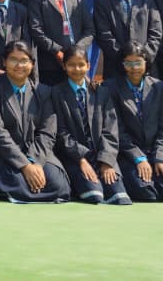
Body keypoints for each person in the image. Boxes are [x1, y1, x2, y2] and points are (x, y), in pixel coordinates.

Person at [0, 41, 70, 203]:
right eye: (13, 60)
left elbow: (47, 132)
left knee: (59, 185)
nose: (19, 65)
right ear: (4, 62)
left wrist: (35, 162)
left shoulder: (43, 91)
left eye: (24, 61)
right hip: (4, 154)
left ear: (32, 64)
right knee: (17, 184)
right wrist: (25, 166)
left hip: (36, 152)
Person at [102, 44, 163, 202]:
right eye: (128, 63)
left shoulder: (159, 87)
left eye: (138, 62)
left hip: (157, 150)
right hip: (129, 152)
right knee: (145, 191)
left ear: (146, 62)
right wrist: (138, 157)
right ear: (122, 64)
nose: (134, 68)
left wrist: (161, 157)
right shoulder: (111, 87)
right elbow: (116, 129)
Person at [49, 48, 131, 204]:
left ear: (88, 65)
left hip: (102, 155)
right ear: (64, 66)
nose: (77, 69)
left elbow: (111, 129)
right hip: (76, 157)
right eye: (71, 65)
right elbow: (61, 133)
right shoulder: (56, 93)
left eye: (81, 64)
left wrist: (106, 161)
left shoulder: (101, 92)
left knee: (119, 197)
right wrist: (81, 159)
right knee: (95, 195)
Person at [25, 0, 93, 87]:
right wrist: (57, 50)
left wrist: (76, 52)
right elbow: (36, 30)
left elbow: (89, 29)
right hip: (51, 62)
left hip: (77, 61)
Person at [93, 0, 162, 79]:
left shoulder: (148, 0)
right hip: (115, 67)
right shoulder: (102, 2)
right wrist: (124, 60)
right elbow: (103, 34)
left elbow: (156, 32)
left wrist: (143, 58)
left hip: (145, 67)